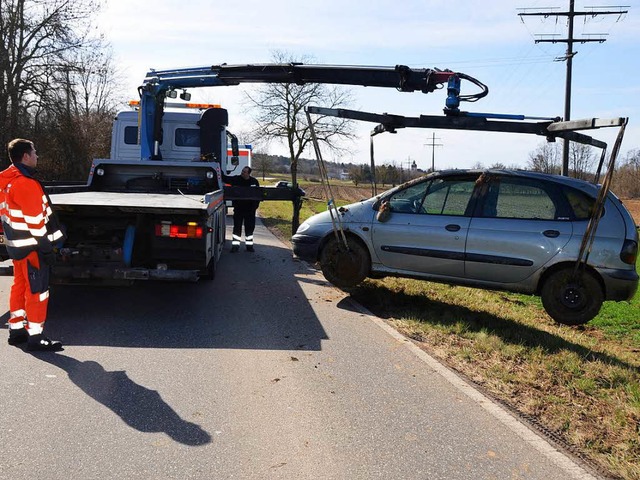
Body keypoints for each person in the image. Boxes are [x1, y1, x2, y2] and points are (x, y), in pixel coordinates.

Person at [1, 139, 65, 351]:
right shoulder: (25, 184)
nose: (37, 156)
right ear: (26, 156)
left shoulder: (7, 180)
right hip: (32, 248)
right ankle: (37, 338)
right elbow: (36, 224)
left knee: (19, 287)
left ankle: (17, 330)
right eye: (35, 152)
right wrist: (47, 249)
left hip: (17, 247)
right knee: (38, 292)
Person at [222, 166, 260, 252]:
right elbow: (225, 179)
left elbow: (258, 195)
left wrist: (255, 206)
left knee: (249, 229)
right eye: (242, 171)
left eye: (244, 172)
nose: (242, 173)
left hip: (250, 211)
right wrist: (218, 169)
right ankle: (235, 247)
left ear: (248, 173)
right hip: (239, 209)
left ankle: (249, 247)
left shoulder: (254, 182)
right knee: (237, 228)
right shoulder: (237, 179)